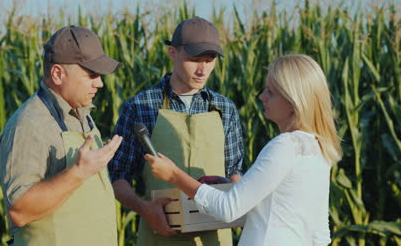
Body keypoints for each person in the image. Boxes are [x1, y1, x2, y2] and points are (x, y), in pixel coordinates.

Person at [145, 54, 342, 246]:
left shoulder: (285, 146)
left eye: (270, 92)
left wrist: (174, 175)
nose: (261, 96)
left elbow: (228, 209)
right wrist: (237, 188)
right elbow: (319, 232)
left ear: (293, 103)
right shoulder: (317, 148)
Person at [108, 16, 245, 245]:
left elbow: (234, 172)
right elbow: (117, 176)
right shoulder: (141, 106)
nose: (203, 70)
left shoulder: (225, 109)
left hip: (213, 237)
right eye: (195, 60)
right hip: (159, 234)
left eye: (209, 60)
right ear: (173, 53)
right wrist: (144, 208)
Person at [0, 26, 123, 246]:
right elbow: (19, 210)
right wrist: (79, 172)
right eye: (91, 74)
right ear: (57, 73)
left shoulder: (83, 115)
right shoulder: (29, 124)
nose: (100, 83)